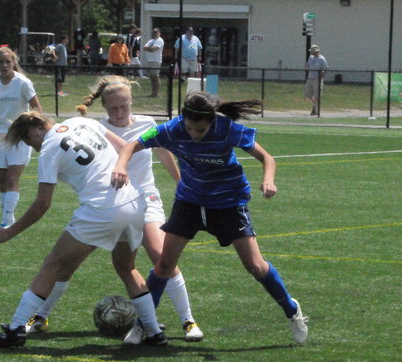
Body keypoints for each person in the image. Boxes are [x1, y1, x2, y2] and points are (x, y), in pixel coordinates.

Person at [111, 91, 309, 345]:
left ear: (212, 122)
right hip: (190, 201)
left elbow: (266, 158)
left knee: (255, 266)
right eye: (190, 129)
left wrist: (268, 180)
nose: (195, 134)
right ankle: (143, 324)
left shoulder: (227, 129)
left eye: (201, 130)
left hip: (228, 202)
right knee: (164, 264)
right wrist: (121, 165)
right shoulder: (172, 129)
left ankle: (292, 311)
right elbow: (132, 145)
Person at [27, 75, 204, 344]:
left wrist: (181, 184)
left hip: (145, 200)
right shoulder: (96, 128)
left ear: (131, 102)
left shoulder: (147, 124)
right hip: (109, 204)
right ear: (105, 107)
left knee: (160, 255)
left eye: (124, 106)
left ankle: (188, 320)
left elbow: (164, 153)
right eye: (113, 108)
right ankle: (40, 316)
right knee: (68, 262)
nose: (119, 112)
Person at [0, 111, 167, 348]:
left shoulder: (50, 148)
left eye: (28, 141)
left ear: (35, 130)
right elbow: (126, 147)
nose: (33, 147)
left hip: (101, 210)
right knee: (126, 267)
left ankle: (16, 328)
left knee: (52, 264)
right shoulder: (81, 121)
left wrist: (9, 232)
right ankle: (154, 332)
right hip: (133, 202)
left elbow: (42, 204)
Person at [0, 46, 42, 229]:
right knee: (1, 181)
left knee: (12, 179)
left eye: (8, 61)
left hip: (21, 137)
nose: (5, 65)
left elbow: (37, 108)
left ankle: (6, 222)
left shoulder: (23, 82)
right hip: (1, 136)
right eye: (1, 62)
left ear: (14, 62)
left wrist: (32, 129)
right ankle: (8, 217)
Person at [304, 44, 328, 116]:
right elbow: (307, 65)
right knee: (307, 94)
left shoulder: (321, 59)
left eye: (312, 51)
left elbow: (325, 69)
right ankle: (315, 106)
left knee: (316, 95)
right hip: (310, 78)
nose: (311, 52)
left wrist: (321, 78)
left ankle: (316, 110)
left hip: (317, 79)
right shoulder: (311, 57)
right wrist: (306, 68)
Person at [142, 28, 165, 97]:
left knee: (156, 77)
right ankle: (153, 92)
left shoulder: (160, 40)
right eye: (153, 32)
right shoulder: (151, 41)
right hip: (149, 61)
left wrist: (149, 48)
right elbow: (144, 47)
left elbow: (153, 49)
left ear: (159, 33)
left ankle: (156, 93)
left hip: (156, 61)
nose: (154, 33)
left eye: (156, 32)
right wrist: (150, 48)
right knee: (151, 77)